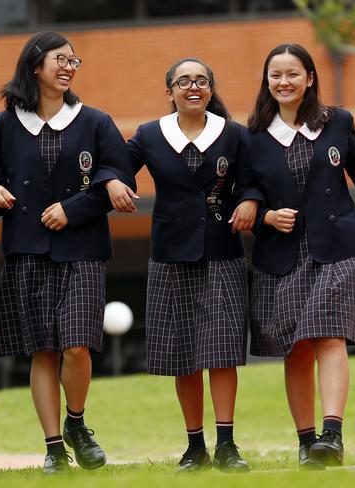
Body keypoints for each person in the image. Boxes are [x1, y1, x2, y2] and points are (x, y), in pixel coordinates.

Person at [242, 43, 355, 469]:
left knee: (330, 335)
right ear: (267, 81)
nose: (283, 82)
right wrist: (266, 215)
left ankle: (332, 436)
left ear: (310, 78)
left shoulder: (337, 122)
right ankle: (307, 443)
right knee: (298, 348)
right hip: (282, 254)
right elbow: (243, 191)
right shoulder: (250, 136)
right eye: (275, 75)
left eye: (292, 73)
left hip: (337, 247)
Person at [0, 31, 136, 475]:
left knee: (77, 347)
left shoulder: (96, 122)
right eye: (60, 59)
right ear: (35, 66)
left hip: (82, 248)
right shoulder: (6, 122)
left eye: (74, 61)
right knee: (43, 351)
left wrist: (75, 208)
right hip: (27, 249)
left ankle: (76, 423)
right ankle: (53, 448)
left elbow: (120, 179)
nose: (69, 67)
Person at [123, 57, 259, 472]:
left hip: (222, 251)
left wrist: (250, 199)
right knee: (183, 354)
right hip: (170, 254)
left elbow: (253, 179)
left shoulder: (234, 135)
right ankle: (194, 446)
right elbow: (115, 169)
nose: (193, 87)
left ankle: (227, 446)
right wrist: (113, 181)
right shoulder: (149, 135)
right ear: (170, 92)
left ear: (212, 89)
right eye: (184, 82)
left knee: (221, 353)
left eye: (202, 81)